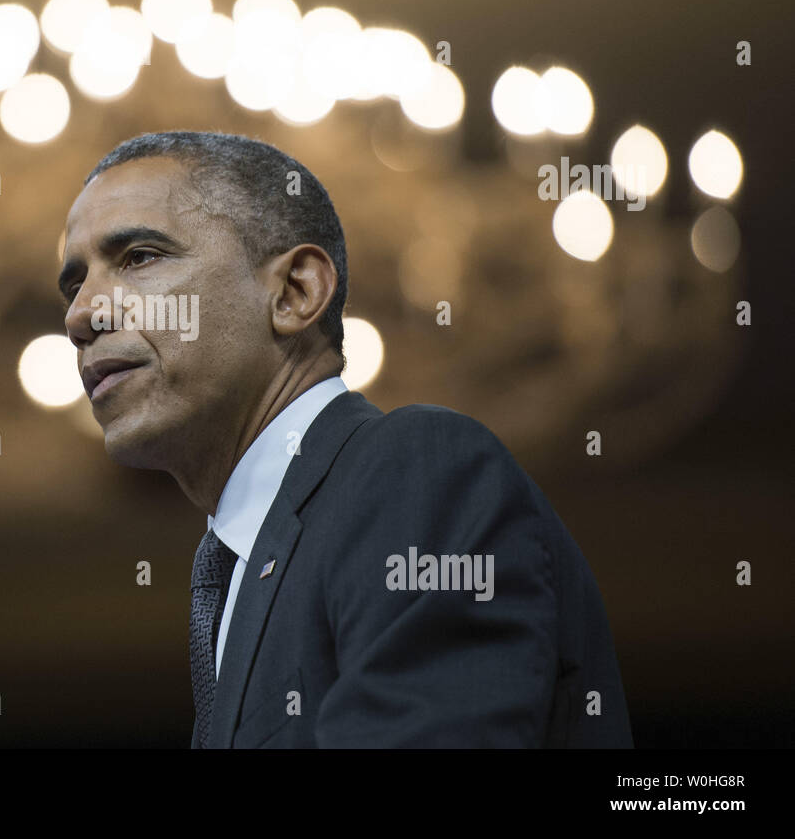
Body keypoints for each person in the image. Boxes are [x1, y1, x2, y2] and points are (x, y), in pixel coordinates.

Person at [57, 130, 634, 748]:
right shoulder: (247, 567)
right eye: (73, 284)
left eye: (139, 257)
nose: (80, 316)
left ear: (295, 292)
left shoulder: (415, 469)